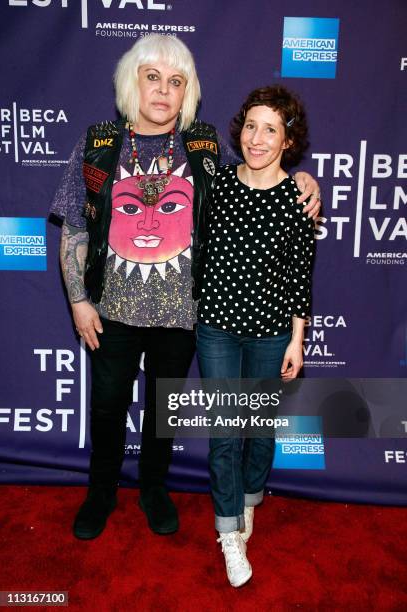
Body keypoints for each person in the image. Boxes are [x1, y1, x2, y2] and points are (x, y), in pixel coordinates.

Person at [50, 34, 321, 540]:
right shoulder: (98, 143)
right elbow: (74, 229)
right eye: (152, 77)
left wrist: (307, 183)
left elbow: (259, 176)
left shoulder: (204, 146)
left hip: (183, 314)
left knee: (162, 410)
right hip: (110, 309)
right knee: (107, 405)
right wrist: (79, 301)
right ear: (133, 82)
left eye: (176, 81)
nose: (163, 91)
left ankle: (154, 489)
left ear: (188, 91)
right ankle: (101, 492)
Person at [196, 85, 314, 587]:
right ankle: (228, 534)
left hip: (270, 334)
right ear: (239, 129)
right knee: (225, 433)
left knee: (259, 431)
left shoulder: (299, 198)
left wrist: (297, 338)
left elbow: (300, 274)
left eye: (271, 129)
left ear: (288, 141)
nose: (258, 138)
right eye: (251, 126)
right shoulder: (218, 184)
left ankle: (248, 503)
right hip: (217, 328)